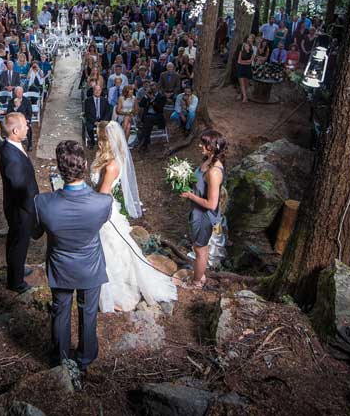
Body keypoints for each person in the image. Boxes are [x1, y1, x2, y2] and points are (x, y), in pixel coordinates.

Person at [32, 141, 112, 381]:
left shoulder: (42, 202)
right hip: (90, 267)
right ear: (85, 166)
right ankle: (86, 357)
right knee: (88, 312)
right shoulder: (103, 203)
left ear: (59, 168)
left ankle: (61, 358)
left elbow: (36, 233)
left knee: (61, 311)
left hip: (60, 268)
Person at [91, 121, 176, 313]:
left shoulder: (112, 165)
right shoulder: (104, 158)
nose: (96, 138)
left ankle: (114, 290)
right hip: (99, 203)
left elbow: (103, 195)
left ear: (105, 139)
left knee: (111, 248)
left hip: (103, 210)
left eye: (98, 135)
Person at [178, 130, 225, 290]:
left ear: (211, 147)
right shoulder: (207, 161)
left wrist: (190, 196)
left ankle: (197, 282)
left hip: (204, 215)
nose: (199, 146)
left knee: (200, 249)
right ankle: (200, 274)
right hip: (197, 212)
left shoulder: (214, 172)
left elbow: (212, 204)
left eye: (203, 143)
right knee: (198, 246)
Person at [0, 112, 38, 293]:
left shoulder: (12, 145)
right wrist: (30, 208)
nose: (28, 127)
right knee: (18, 243)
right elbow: (18, 186)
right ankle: (15, 281)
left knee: (19, 242)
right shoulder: (11, 156)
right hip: (20, 209)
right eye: (25, 126)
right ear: (15, 130)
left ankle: (18, 269)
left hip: (21, 207)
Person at [135, 82, 167, 151]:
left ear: (157, 86)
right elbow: (141, 105)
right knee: (147, 121)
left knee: (147, 121)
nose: (152, 87)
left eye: (153, 85)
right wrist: (146, 96)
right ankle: (144, 144)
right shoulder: (148, 95)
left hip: (158, 117)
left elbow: (159, 109)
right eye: (151, 86)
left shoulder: (162, 96)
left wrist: (152, 100)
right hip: (147, 117)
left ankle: (143, 144)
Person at [83, 83, 111, 148]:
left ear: (101, 91)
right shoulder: (88, 101)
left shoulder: (105, 100)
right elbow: (87, 113)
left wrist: (102, 121)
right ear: (93, 91)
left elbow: (108, 112)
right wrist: (94, 122)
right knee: (89, 128)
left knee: (107, 128)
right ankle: (92, 142)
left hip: (102, 119)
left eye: (99, 90)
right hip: (92, 120)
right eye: (96, 90)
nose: (97, 92)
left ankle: (103, 143)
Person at [8, 86, 34, 150]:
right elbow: (8, 112)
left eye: (20, 92)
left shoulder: (27, 101)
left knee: (28, 128)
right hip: (14, 120)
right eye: (17, 92)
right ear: (15, 93)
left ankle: (30, 144)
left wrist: (26, 120)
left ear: (23, 93)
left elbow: (29, 112)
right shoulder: (11, 101)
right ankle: (12, 144)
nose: (19, 94)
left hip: (24, 120)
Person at [236, 34, 254, 102]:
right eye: (245, 46)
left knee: (246, 84)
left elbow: (250, 62)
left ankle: (242, 94)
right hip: (241, 68)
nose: (246, 47)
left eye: (247, 46)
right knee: (242, 84)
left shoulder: (252, 51)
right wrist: (245, 62)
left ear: (249, 46)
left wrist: (244, 61)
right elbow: (239, 61)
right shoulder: (241, 51)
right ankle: (245, 97)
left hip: (248, 69)